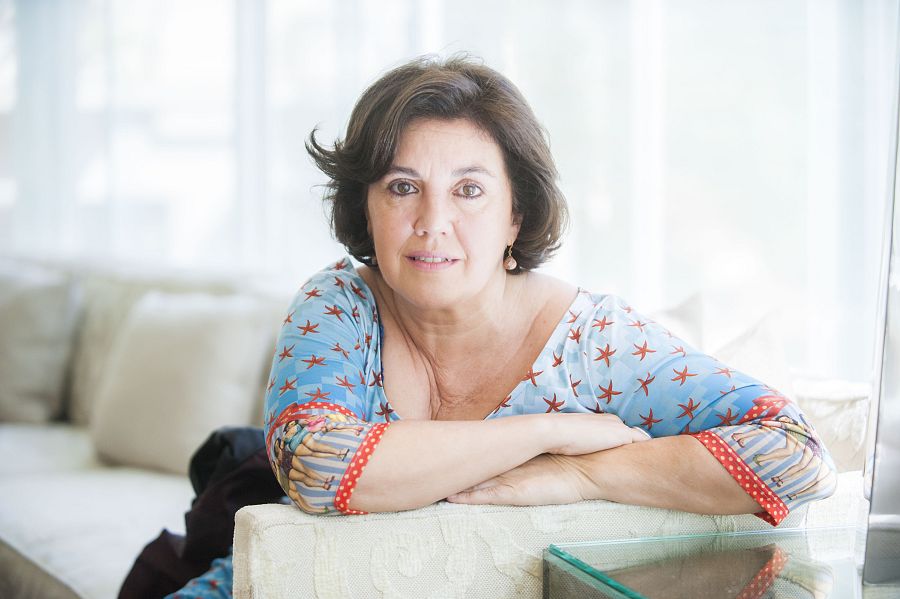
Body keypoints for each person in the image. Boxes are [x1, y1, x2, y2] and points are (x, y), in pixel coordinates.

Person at [167, 53, 836, 598]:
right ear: (365, 207)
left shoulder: (593, 343)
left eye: (469, 190)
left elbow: (796, 455)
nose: (433, 222)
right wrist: (547, 433)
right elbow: (315, 466)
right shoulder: (338, 302)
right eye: (402, 187)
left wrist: (586, 475)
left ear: (516, 215)